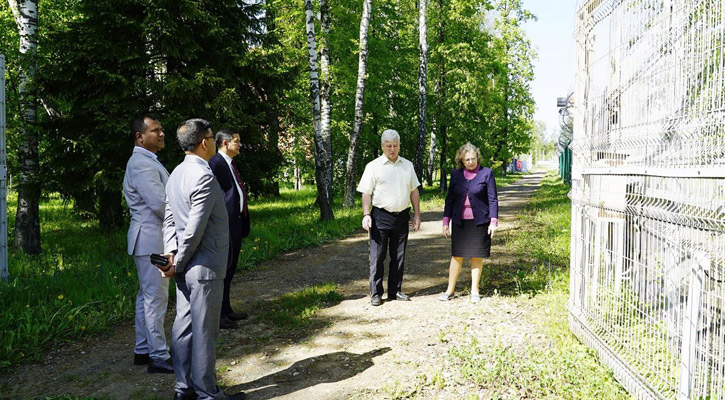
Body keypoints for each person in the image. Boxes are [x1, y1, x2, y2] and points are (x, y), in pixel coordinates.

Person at [158, 119, 245, 400]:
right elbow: (195, 228)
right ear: (205, 142)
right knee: (205, 332)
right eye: (210, 136)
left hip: (183, 264)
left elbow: (169, 219)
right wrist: (179, 261)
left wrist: (170, 255)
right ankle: (207, 393)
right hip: (203, 266)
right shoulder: (204, 175)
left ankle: (183, 389)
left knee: (183, 327)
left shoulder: (176, 173)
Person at [122, 114, 173, 374]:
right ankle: (159, 356)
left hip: (148, 239)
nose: (161, 134)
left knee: (146, 297)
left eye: (161, 129)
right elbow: (160, 204)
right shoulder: (141, 164)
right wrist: (186, 221)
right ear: (140, 137)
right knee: (155, 299)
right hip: (152, 240)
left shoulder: (145, 161)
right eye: (155, 130)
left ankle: (143, 349)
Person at [357, 129, 421, 306]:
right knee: (377, 256)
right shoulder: (373, 166)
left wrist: (417, 215)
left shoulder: (407, 165)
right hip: (380, 216)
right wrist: (366, 214)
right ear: (382, 146)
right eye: (388, 146)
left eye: (395, 146)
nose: (392, 149)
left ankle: (395, 290)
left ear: (399, 146)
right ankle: (376, 293)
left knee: (398, 256)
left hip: (402, 216)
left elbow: (414, 191)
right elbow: (366, 193)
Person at [439, 142, 498, 303]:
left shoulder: (487, 173)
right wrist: (446, 221)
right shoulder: (456, 175)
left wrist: (493, 222)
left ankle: (474, 291)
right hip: (459, 221)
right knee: (456, 256)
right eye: (467, 160)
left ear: (477, 158)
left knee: (476, 256)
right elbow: (449, 199)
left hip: (480, 222)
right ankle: (450, 290)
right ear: (461, 161)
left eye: (473, 159)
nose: (470, 162)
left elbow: (493, 199)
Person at [208, 128, 250, 330]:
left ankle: (227, 309)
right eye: (236, 141)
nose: (240, 144)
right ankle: (218, 315)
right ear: (225, 143)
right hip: (224, 224)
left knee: (230, 268)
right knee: (223, 269)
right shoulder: (215, 164)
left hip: (235, 222)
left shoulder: (230, 164)